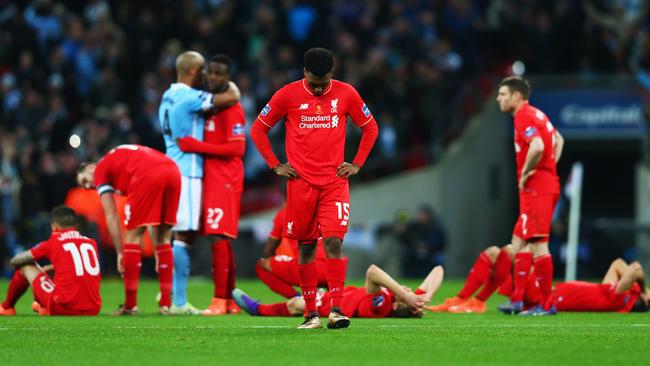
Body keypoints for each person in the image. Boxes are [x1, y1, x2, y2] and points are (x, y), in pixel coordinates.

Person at [250, 47, 379, 329]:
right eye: (314, 83)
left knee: (334, 242)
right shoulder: (287, 94)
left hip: (334, 183)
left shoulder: (347, 93)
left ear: (332, 73)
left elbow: (371, 128)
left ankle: (336, 310)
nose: (319, 89)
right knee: (306, 247)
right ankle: (311, 315)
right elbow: (258, 129)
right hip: (300, 184)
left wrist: (357, 163)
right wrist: (275, 165)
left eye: (323, 83)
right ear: (304, 72)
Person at [159, 50, 241, 315]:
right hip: (188, 171)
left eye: (217, 72)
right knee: (185, 235)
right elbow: (233, 95)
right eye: (206, 70)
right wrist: (231, 83)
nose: (209, 75)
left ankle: (217, 299)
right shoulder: (191, 98)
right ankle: (178, 300)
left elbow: (237, 146)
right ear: (194, 72)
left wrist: (198, 145)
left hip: (179, 168)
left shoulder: (167, 95)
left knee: (196, 235)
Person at [76, 144, 180, 315]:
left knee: (132, 238)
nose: (88, 186)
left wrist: (120, 253)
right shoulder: (119, 159)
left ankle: (131, 306)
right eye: (84, 186)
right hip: (172, 170)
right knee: (164, 239)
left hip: (147, 173)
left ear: (90, 167)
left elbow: (110, 214)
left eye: (85, 180)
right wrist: (157, 254)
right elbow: (151, 221)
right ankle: (165, 304)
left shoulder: (101, 169)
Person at [496, 76, 565, 315]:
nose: (498, 99)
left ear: (517, 96)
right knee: (518, 242)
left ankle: (546, 304)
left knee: (538, 245)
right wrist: (550, 167)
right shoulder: (538, 114)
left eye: (503, 94)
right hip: (543, 184)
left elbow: (537, 146)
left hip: (537, 187)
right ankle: (517, 300)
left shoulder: (523, 115)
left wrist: (528, 173)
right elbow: (558, 140)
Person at [233, 264, 440, 320]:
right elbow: (438, 270)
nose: (408, 289)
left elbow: (373, 271)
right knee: (301, 294)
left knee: (297, 304)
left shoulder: (381, 304)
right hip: (337, 293)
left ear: (398, 305)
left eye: (407, 293)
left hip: (332, 304)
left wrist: (405, 296)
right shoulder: (400, 299)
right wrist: (424, 298)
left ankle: (256, 309)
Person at [0, 206, 101, 316]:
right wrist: (53, 267)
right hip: (93, 309)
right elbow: (78, 266)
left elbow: (16, 260)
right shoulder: (91, 242)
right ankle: (43, 306)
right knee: (54, 271)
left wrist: (20, 268)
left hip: (64, 308)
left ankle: (7, 307)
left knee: (26, 266)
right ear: (75, 225)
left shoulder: (52, 243)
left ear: (53, 226)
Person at [428, 244, 541, 314]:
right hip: (521, 279)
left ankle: (479, 301)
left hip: (534, 288)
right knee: (492, 251)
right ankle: (461, 299)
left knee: (509, 251)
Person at [256, 205, 329, 299]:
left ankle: (298, 300)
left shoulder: (286, 211)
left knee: (262, 264)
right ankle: (333, 299)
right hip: (335, 267)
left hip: (309, 267)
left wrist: (270, 258)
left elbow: (271, 246)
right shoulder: (322, 209)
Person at [551, 258, 649, 313]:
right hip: (576, 290)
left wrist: (644, 290)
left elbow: (636, 270)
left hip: (567, 297)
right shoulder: (624, 291)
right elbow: (617, 263)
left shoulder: (622, 299)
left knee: (542, 297)